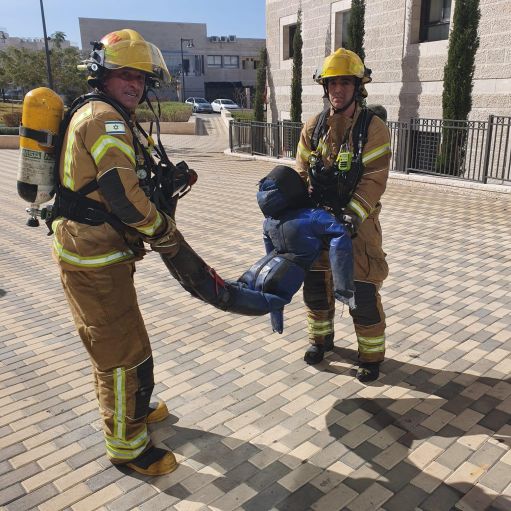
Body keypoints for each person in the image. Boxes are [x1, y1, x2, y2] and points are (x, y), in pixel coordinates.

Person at [51, 29, 185, 476]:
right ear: (102, 75)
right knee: (118, 356)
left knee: (130, 339)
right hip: (93, 260)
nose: (135, 84)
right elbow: (124, 198)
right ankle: (127, 447)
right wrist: (163, 231)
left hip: (104, 253)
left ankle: (138, 410)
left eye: (141, 78)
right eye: (124, 74)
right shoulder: (103, 119)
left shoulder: (108, 113)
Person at [159, 165, 355, 335]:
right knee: (211, 291)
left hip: (264, 275)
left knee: (213, 291)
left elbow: (271, 250)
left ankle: (168, 243)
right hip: (274, 278)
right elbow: (340, 235)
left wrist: (341, 286)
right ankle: (169, 242)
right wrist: (343, 288)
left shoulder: (274, 221)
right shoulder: (306, 217)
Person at [295, 48, 391, 382]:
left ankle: (371, 355)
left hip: (357, 229)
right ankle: (320, 341)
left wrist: (351, 215)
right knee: (316, 289)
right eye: (332, 83)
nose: (337, 89)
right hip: (319, 224)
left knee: (362, 293)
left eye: (345, 83)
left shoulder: (372, 128)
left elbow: (374, 177)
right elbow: (301, 171)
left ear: (357, 86)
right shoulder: (314, 126)